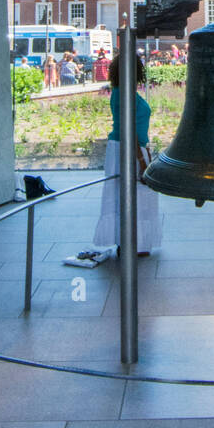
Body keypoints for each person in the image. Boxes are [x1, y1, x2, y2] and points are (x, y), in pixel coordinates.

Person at [64, 51, 161, 267]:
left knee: (124, 196)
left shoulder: (121, 91)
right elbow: (130, 129)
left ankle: (127, 241)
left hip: (125, 148)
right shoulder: (124, 93)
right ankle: (132, 243)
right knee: (135, 196)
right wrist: (142, 161)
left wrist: (145, 153)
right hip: (127, 149)